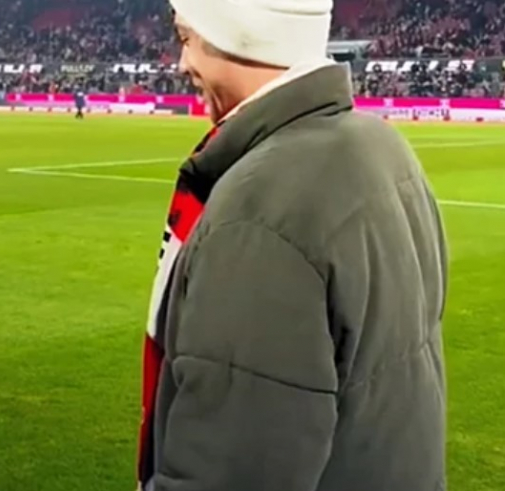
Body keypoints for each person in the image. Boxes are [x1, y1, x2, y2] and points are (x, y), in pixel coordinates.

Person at [138, 1, 448, 490]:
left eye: (186, 38)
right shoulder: (385, 146)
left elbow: (232, 471)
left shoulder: (259, 210)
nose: (182, 63)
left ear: (236, 32)